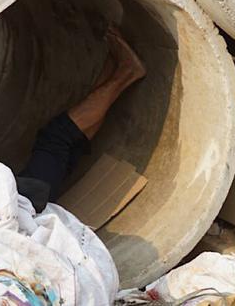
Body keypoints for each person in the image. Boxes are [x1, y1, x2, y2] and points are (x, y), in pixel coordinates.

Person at [14, 25, 147, 212]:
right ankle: (127, 71)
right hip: (28, 201)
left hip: (30, 203)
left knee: (70, 147)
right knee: (56, 137)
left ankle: (113, 66)